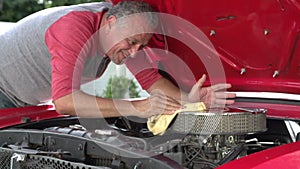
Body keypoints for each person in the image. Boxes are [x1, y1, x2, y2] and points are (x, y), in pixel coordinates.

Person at [0, 0, 235, 119]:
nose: (135, 52)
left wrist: (192, 100)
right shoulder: (74, 28)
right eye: (132, 43)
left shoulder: (125, 31)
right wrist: (136, 107)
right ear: (111, 23)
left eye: (141, 46)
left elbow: (151, 80)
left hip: (26, 102)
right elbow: (64, 101)